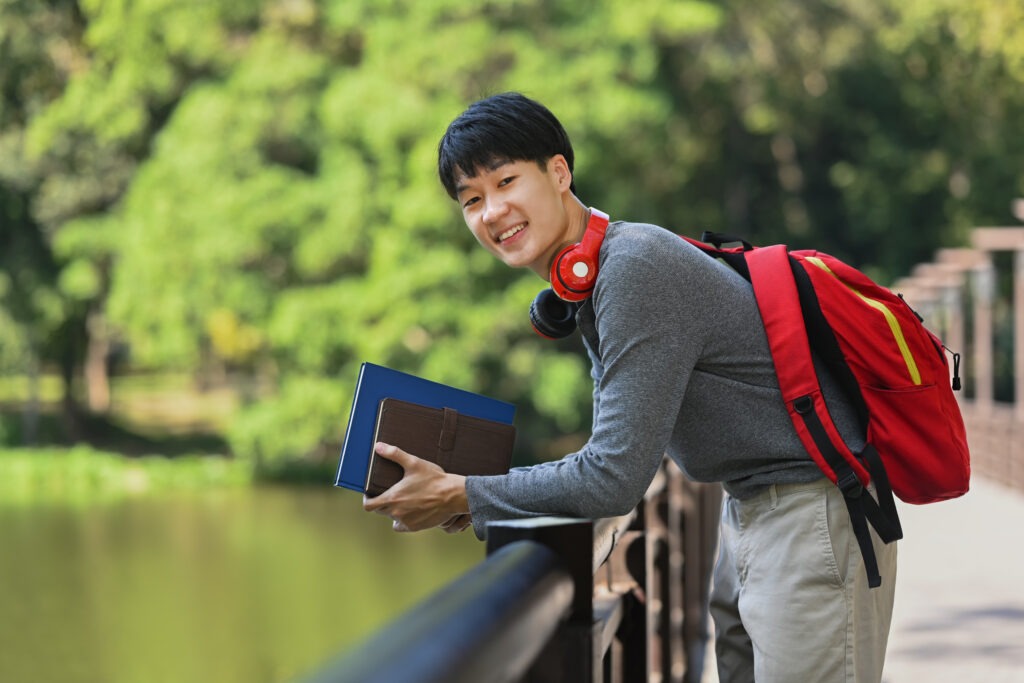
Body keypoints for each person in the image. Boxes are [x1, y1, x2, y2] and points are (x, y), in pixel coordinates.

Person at [362, 91, 897, 683]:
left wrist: (465, 492)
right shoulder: (597, 279)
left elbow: (613, 476)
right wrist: (474, 491)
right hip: (756, 510)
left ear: (559, 172)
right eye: (471, 199)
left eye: (506, 181)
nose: (491, 211)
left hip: (810, 514)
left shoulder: (634, 269)